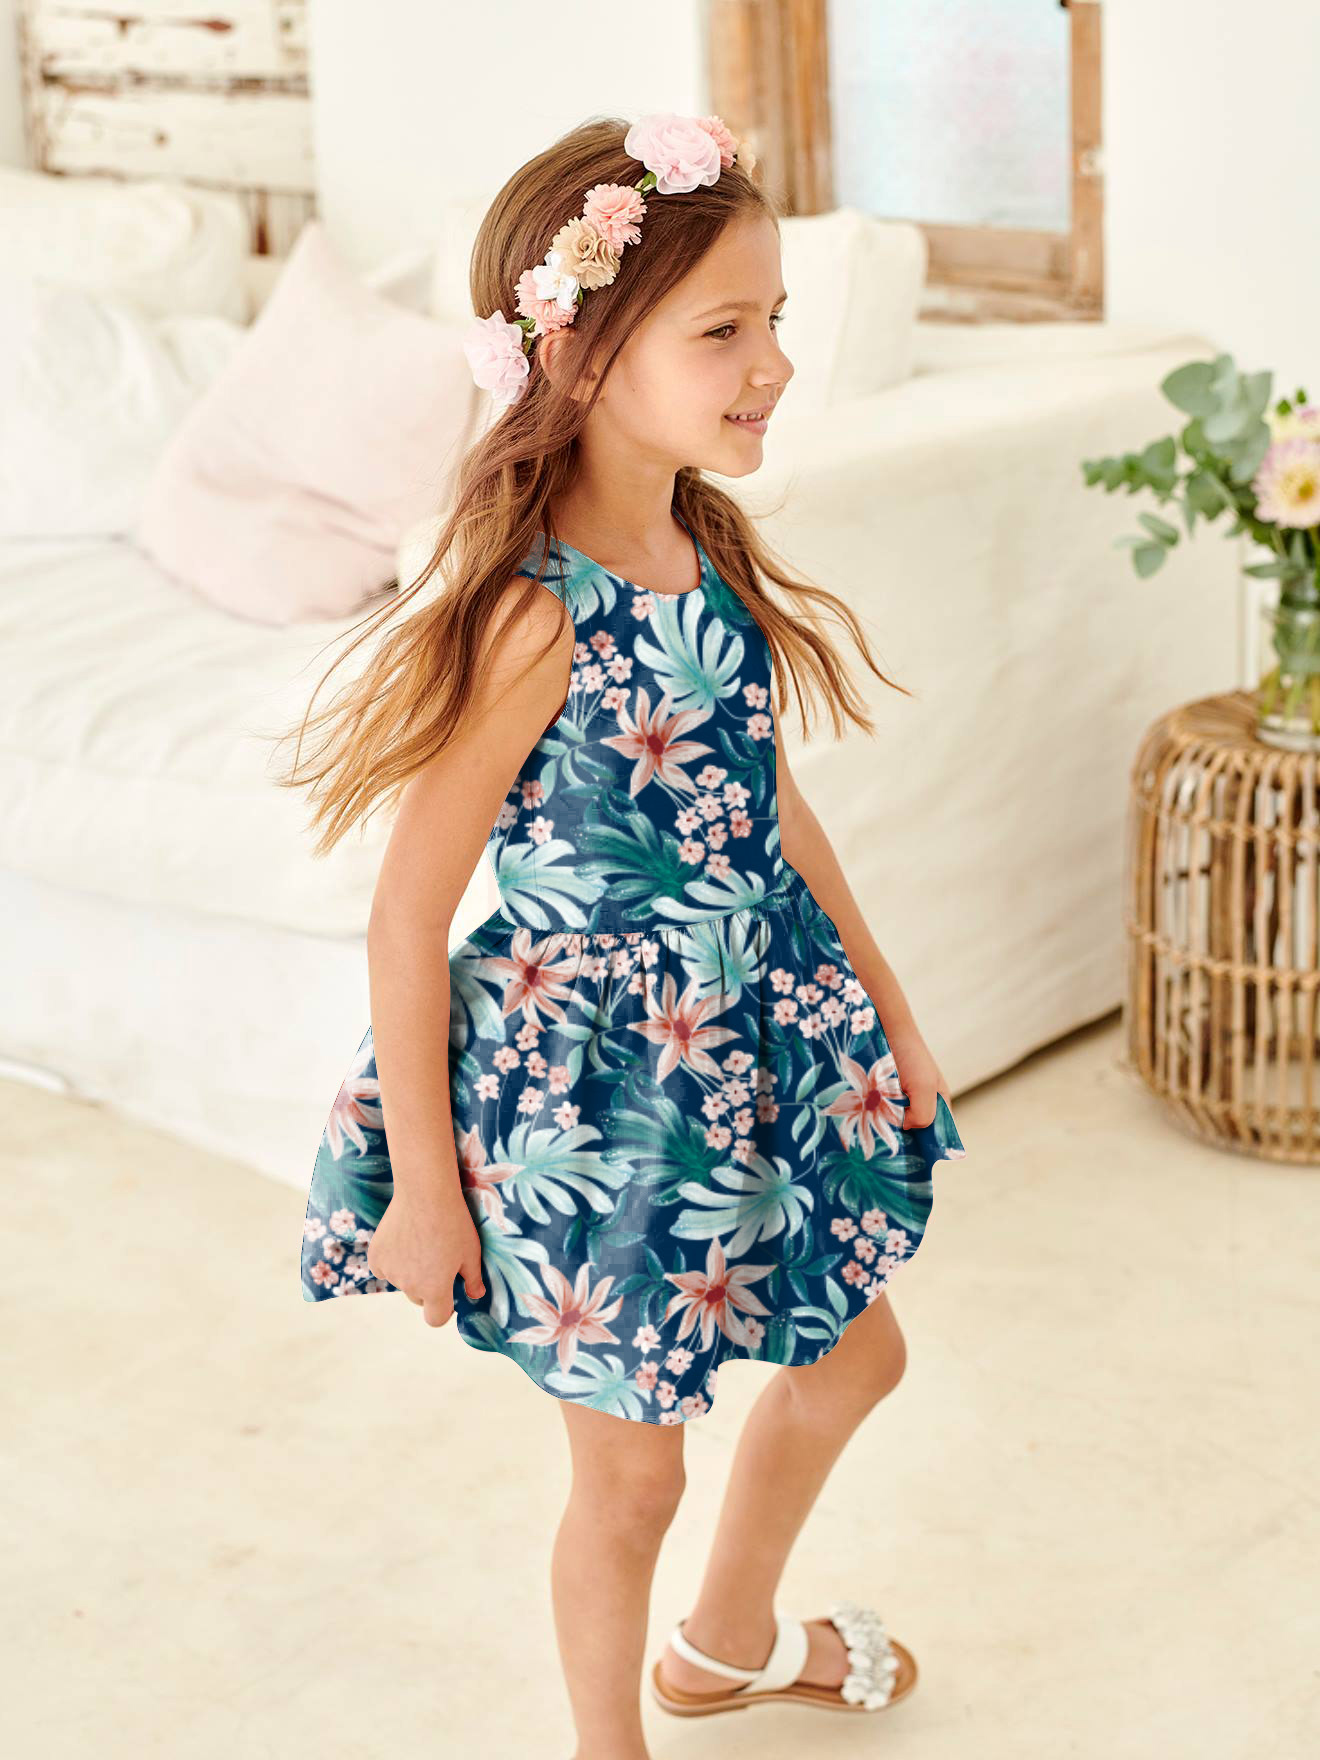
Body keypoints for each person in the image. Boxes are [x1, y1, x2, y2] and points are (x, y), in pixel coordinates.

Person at [282, 110, 967, 1759]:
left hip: (754, 1043)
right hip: (599, 1097)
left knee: (854, 1356)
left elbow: (768, 803)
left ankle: (724, 1644)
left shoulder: (700, 549)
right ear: (582, 353)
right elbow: (408, 912)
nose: (774, 363)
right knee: (632, 1473)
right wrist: (428, 1188)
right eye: (724, 330)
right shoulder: (539, 614)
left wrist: (890, 1009)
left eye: (775, 319)